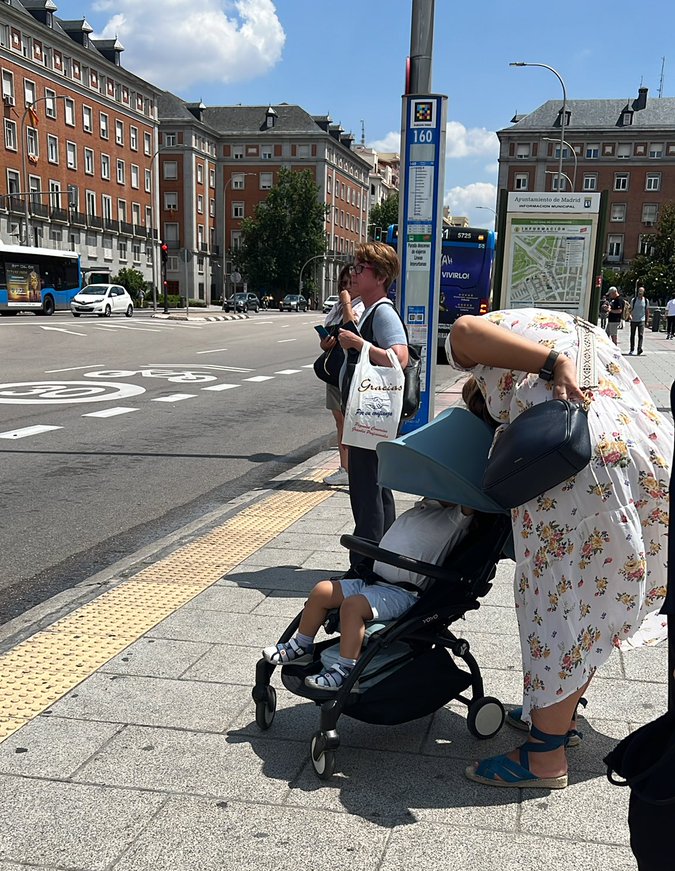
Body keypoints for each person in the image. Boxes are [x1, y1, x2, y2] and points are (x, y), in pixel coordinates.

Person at [448, 307, 672, 789]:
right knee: (593, 609)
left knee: (553, 606)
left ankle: (544, 757)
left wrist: (551, 366)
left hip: (577, 466)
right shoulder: (579, 330)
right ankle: (556, 719)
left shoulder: (508, 353)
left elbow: (463, 331)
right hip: (647, 456)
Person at [263, 499, 473, 690]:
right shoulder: (425, 505)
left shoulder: (456, 518)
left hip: (402, 593)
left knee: (352, 607)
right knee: (322, 591)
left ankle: (345, 669)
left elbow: (470, 503)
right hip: (373, 580)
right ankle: (302, 646)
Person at [337, 242, 409, 578]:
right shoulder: (370, 310)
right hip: (371, 415)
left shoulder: (382, 312)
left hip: (373, 415)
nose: (354, 271)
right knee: (375, 488)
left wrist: (359, 344)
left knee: (367, 490)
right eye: (354, 265)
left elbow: (399, 357)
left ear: (379, 276)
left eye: (361, 267)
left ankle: (365, 564)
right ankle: (383, 559)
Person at [320, 268, 364, 488]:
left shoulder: (361, 306)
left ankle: (352, 468)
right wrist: (324, 344)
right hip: (334, 369)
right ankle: (344, 467)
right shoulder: (337, 307)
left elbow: (352, 328)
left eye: (351, 283)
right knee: (339, 421)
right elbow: (332, 333)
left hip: (350, 372)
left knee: (349, 421)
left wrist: (347, 302)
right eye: (343, 283)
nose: (346, 288)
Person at [628, 285, 650, 355]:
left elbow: (647, 310)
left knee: (640, 335)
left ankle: (639, 349)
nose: (640, 293)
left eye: (641, 291)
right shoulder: (633, 300)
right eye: (639, 291)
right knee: (632, 335)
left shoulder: (646, 301)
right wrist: (629, 316)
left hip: (641, 320)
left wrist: (647, 320)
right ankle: (632, 349)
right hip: (634, 319)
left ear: (643, 292)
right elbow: (630, 309)